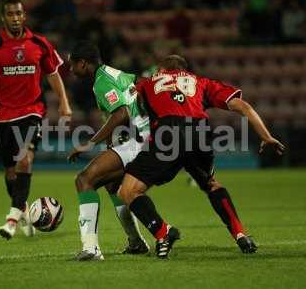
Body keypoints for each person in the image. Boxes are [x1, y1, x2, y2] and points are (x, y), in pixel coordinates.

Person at [118, 55, 285, 259]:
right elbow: (244, 107)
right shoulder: (202, 82)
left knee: (128, 191)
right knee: (211, 184)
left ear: (161, 69)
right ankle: (241, 234)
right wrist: (266, 136)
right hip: (199, 132)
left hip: (167, 134)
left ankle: (163, 233)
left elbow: (127, 105)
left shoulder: (149, 81)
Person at [0, 0, 72, 240]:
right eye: (10, 14)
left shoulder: (39, 43)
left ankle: (11, 219)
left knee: (25, 160)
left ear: (24, 16)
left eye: (19, 13)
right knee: (10, 171)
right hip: (4, 115)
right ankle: (25, 208)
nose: (15, 18)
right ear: (3, 17)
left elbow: (53, 74)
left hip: (32, 111)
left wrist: (64, 102)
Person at [68, 41, 149, 261]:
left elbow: (121, 112)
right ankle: (136, 242)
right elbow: (142, 87)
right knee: (113, 186)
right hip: (142, 137)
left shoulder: (102, 82)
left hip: (137, 141)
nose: (71, 70)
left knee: (84, 180)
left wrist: (91, 142)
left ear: (83, 64)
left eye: (72, 65)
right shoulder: (118, 73)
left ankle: (91, 249)